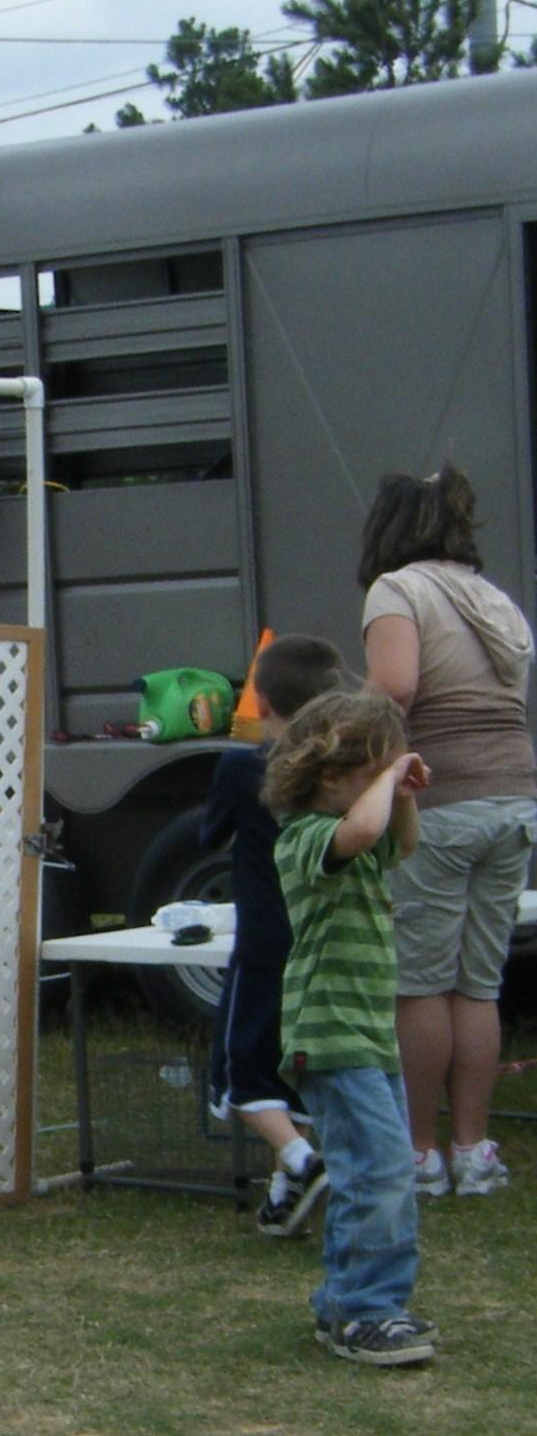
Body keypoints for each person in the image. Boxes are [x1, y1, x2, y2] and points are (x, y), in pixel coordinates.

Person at [359, 466, 532, 1199]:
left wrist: (340, 727)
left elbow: (396, 688)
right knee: (478, 982)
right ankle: (473, 1149)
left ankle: (420, 1155)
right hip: (515, 802)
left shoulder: (398, 590)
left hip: (442, 803)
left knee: (421, 985)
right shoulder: (494, 598)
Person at [264, 687, 435, 1365]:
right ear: (330, 778)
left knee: (375, 1172)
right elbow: (363, 830)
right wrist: (390, 778)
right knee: (381, 1173)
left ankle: (346, 1303)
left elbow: (402, 841)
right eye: (375, 775)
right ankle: (367, 1311)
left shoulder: (360, 841)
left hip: (366, 1037)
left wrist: (404, 792)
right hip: (330, 1035)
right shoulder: (305, 838)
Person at [200, 635, 348, 1235]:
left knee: (237, 1074)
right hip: (320, 941)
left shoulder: (242, 766)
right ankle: (286, 1195)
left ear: (260, 704)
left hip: (263, 945)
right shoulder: (338, 773)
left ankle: (300, 1161)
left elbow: (209, 837)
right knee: (294, 1071)